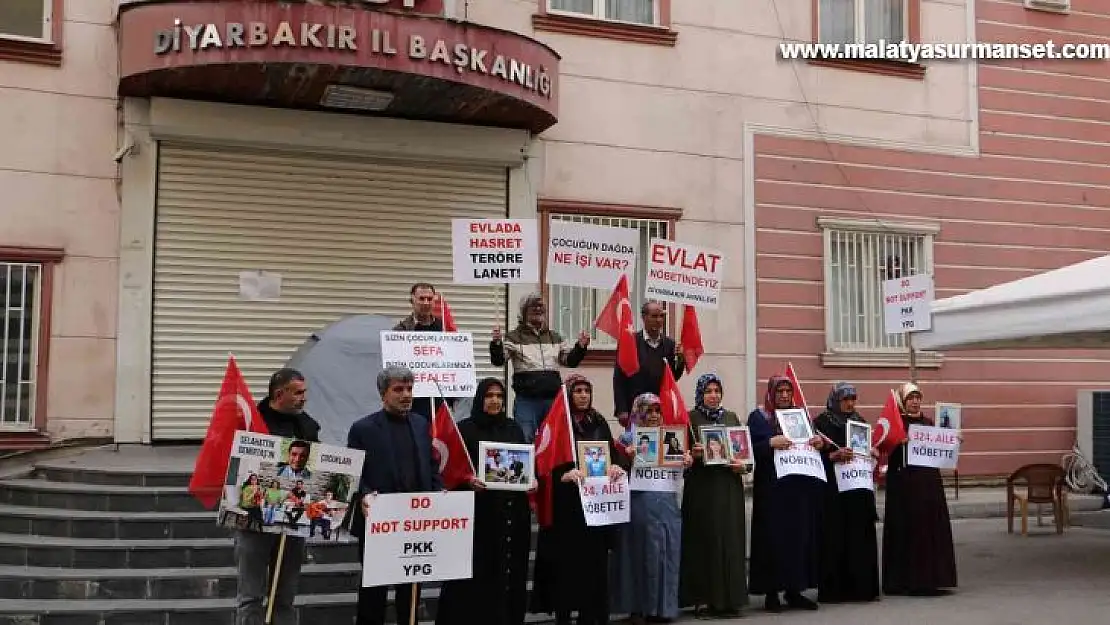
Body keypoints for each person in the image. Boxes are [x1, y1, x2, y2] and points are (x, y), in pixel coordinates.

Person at [347, 366, 443, 625]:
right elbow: (354, 475)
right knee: (374, 589)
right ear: (383, 394)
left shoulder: (422, 424)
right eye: (398, 389)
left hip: (415, 521)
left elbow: (430, 465)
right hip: (379, 521)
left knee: (410, 587)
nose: (406, 395)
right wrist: (364, 495)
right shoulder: (362, 429)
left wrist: (439, 492)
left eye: (410, 389)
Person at [436, 378, 532, 625]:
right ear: (480, 398)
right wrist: (467, 480)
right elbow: (452, 471)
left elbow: (523, 466)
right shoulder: (465, 429)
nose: (495, 401)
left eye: (499, 396)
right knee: (479, 575)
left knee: (509, 575)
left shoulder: (513, 428)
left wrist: (531, 480)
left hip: (511, 513)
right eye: (489, 395)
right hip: (479, 515)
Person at [531, 374, 625, 625]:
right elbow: (544, 462)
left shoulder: (599, 421)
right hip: (567, 508)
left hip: (594, 508)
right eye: (578, 391)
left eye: (587, 390)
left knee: (593, 564)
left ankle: (590, 615)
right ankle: (564, 615)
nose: (583, 395)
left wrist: (615, 467)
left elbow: (611, 454)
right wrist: (563, 474)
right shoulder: (558, 421)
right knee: (566, 565)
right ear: (569, 394)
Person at [235, 368, 321, 625]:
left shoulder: (307, 425)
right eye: (298, 393)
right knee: (250, 596)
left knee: (284, 596)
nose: (304, 398)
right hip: (254, 522)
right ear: (279, 393)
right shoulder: (251, 422)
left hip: (292, 523)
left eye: (305, 392)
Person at [747, 375, 825, 612]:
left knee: (797, 539)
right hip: (772, 491)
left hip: (797, 488)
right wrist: (770, 443)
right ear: (771, 393)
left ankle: (794, 590)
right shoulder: (759, 417)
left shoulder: (800, 416)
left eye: (787, 391)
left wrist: (818, 442)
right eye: (779, 390)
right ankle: (771, 593)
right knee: (772, 540)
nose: (783, 395)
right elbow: (748, 448)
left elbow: (813, 444)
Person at [612, 393, 690, 625]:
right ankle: (637, 608)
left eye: (658, 410)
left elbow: (681, 472)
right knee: (639, 554)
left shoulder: (671, 438)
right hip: (639, 504)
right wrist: (627, 458)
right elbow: (615, 470)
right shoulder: (627, 439)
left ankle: (663, 609)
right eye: (649, 410)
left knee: (666, 554)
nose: (654, 415)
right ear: (639, 412)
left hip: (667, 504)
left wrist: (687, 462)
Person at [679, 373, 749, 618]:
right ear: (701, 393)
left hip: (729, 487)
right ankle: (704, 599)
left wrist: (744, 467)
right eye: (708, 391)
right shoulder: (689, 419)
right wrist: (692, 454)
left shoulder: (731, 417)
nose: (713, 395)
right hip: (702, 489)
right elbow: (677, 456)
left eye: (717, 390)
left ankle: (731, 599)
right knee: (704, 541)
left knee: (730, 541)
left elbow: (744, 453)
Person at [882, 382, 959, 596]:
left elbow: (938, 450)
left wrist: (953, 440)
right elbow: (884, 447)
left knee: (929, 529)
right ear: (903, 401)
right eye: (911, 398)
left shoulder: (927, 423)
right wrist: (899, 441)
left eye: (918, 397)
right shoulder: (896, 423)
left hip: (929, 484)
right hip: (906, 485)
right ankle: (907, 581)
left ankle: (931, 579)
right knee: (910, 530)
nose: (915, 402)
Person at [813, 383, 880, 604]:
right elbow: (814, 456)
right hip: (834, 491)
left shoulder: (860, 422)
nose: (850, 404)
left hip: (857, 490)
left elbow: (865, 449)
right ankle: (835, 590)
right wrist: (832, 456)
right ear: (835, 400)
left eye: (853, 399)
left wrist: (871, 452)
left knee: (859, 536)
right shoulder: (822, 423)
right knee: (835, 536)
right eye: (845, 399)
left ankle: (861, 588)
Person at [490, 292, 589, 441]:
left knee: (554, 441)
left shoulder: (556, 337)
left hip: (552, 400)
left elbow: (569, 361)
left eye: (541, 307)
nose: (538, 310)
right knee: (525, 439)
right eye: (533, 307)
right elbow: (499, 360)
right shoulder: (513, 337)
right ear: (523, 312)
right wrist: (497, 344)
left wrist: (580, 347)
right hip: (526, 401)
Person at [613, 300, 685, 428]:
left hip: (659, 411)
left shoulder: (670, 345)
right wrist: (621, 409)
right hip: (636, 409)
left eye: (661, 316)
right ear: (644, 317)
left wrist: (680, 359)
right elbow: (619, 378)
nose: (658, 320)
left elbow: (673, 377)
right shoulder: (630, 342)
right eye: (654, 316)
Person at [394, 282, 452, 422]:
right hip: (411, 398)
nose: (426, 302)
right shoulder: (400, 331)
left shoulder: (445, 329)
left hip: (440, 397)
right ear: (412, 301)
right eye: (421, 299)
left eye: (429, 299)